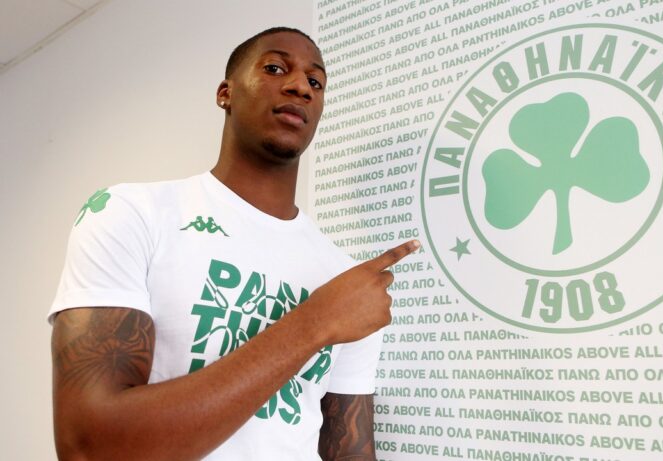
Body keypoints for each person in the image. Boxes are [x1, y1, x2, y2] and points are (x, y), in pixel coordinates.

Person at [49, 27, 419, 460]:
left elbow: (350, 452)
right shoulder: (133, 213)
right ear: (226, 93)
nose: (301, 86)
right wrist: (315, 322)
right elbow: (89, 447)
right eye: (275, 68)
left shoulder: (347, 280)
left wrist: (332, 313)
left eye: (315, 82)